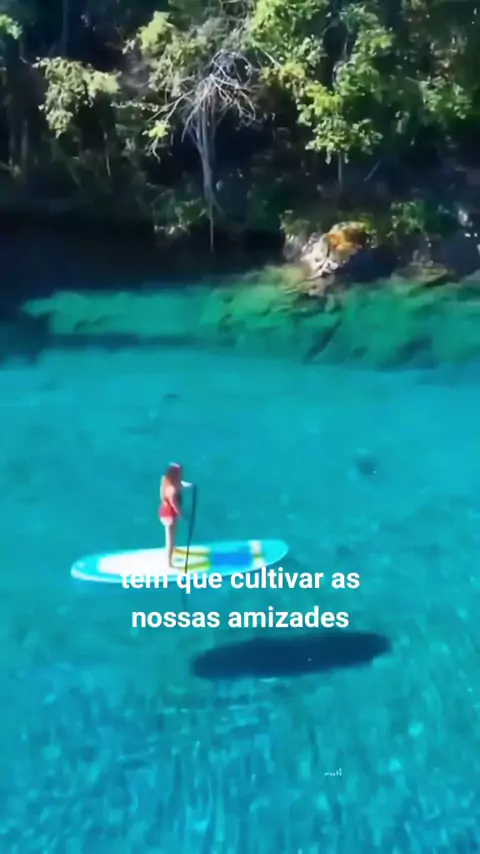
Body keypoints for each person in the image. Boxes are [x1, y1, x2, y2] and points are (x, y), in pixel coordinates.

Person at [158, 463, 193, 570]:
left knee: (173, 534)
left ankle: (173, 550)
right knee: (170, 539)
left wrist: (190, 486)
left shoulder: (168, 482)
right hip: (168, 515)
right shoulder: (172, 489)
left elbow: (181, 485)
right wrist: (183, 515)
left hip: (168, 513)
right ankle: (169, 563)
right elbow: (175, 506)